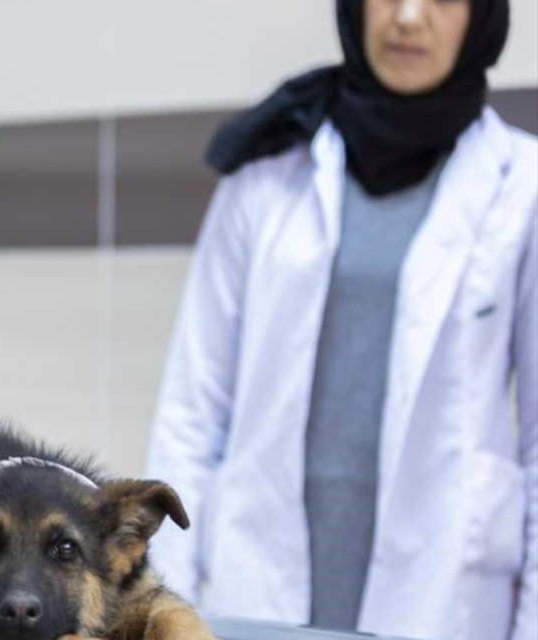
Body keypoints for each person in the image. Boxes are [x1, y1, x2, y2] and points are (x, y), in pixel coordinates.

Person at [145, 0, 534, 639]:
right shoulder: (268, 170)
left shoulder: (521, 186)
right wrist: (165, 605)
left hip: (445, 592)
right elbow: (193, 408)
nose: (408, 17)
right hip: (262, 581)